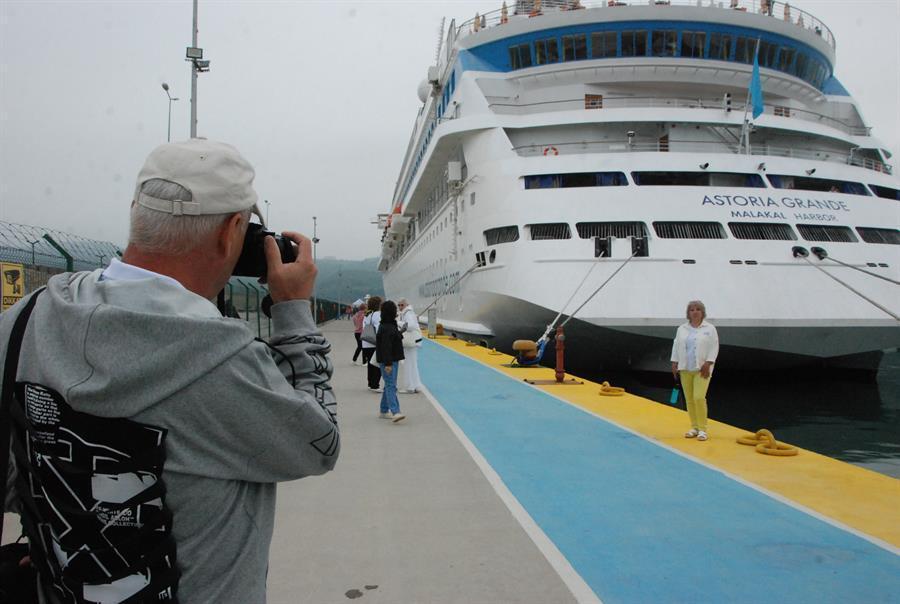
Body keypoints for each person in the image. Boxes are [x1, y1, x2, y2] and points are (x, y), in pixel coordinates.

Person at [1, 139, 340, 603]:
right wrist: (294, 310)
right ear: (232, 233)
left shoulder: (26, 318)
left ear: (136, 215)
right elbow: (319, 444)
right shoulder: (223, 360)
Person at [671, 300, 719, 442]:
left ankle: (703, 429)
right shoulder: (682, 329)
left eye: (698, 309)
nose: (695, 312)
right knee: (690, 400)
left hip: (702, 369)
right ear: (688, 313)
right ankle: (694, 427)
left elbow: (714, 346)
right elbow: (676, 345)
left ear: (702, 312)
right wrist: (674, 362)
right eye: (692, 310)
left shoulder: (709, 328)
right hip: (686, 368)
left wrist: (708, 363)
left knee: (699, 397)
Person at [375, 300, 406, 423]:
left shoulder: (388, 325)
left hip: (391, 359)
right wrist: (387, 364)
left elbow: (393, 339)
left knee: (389, 385)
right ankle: (395, 411)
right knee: (391, 385)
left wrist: (401, 332)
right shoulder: (388, 327)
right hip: (389, 360)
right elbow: (386, 347)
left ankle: (383, 410)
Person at [397, 298, 423, 393]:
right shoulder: (408, 312)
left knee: (408, 363)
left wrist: (398, 323)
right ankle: (416, 385)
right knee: (412, 363)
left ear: (406, 305)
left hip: (410, 341)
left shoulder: (407, 313)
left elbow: (410, 326)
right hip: (413, 341)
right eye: (398, 305)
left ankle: (410, 387)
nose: (400, 307)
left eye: (401, 305)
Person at [361, 295, 382, 391]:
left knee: (370, 363)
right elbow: (378, 328)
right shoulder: (377, 314)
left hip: (366, 342)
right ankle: (375, 385)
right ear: (378, 305)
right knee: (377, 364)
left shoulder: (367, 314)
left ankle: (370, 383)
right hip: (374, 342)